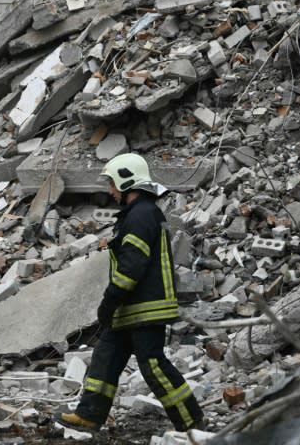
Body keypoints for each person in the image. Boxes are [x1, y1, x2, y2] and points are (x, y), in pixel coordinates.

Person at [59, 153, 205, 432]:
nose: (111, 191)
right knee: (106, 355)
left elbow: (131, 267)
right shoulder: (139, 213)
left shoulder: (141, 215)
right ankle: (89, 415)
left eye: (113, 184)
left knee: (153, 364)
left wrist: (109, 301)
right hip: (131, 308)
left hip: (144, 308)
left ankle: (191, 421)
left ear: (128, 181)